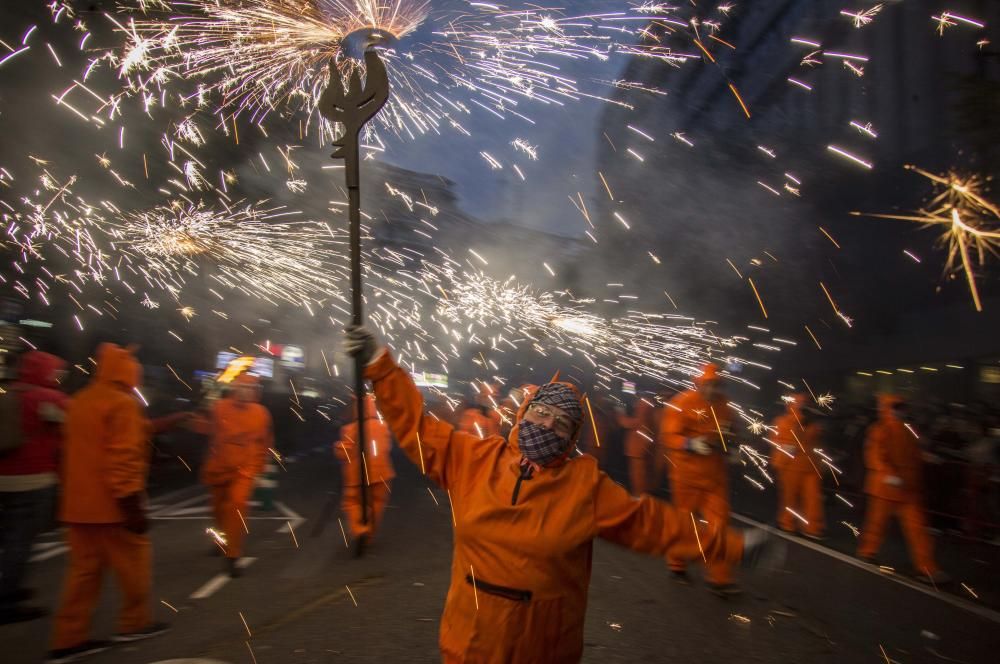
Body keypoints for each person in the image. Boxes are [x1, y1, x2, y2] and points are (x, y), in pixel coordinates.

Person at [344, 326, 780, 663]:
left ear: (573, 437)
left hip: (543, 650)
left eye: (562, 423)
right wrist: (381, 365)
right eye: (542, 413)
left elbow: (655, 526)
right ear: (523, 415)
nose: (548, 425)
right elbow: (414, 424)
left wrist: (735, 547)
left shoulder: (584, 486)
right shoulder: (472, 458)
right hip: (469, 644)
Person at [48, 344, 169, 663]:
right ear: (130, 371)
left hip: (78, 508)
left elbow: (67, 452)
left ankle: (68, 640)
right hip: (114, 509)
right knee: (134, 569)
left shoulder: (80, 401)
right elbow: (124, 458)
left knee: (82, 576)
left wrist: (174, 420)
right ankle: (134, 623)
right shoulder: (123, 404)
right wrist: (132, 505)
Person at [659, 363, 740, 594]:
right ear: (699, 384)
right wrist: (689, 444)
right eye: (710, 385)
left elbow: (731, 432)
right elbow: (668, 437)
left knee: (719, 526)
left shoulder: (725, 406)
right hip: (686, 477)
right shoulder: (681, 403)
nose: (714, 390)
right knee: (686, 523)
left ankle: (720, 579)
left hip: (715, 478)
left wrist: (732, 448)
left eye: (718, 385)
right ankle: (676, 561)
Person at [0, 351, 67, 624]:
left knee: (8, 539)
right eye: (55, 371)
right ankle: (6, 600)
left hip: (4, 479)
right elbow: (76, 422)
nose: (58, 377)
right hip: (33, 479)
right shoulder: (46, 398)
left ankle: (9, 588)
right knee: (21, 542)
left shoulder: (10, 393)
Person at [857, 395, 949, 583]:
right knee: (877, 524)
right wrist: (888, 474)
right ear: (886, 409)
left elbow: (913, 452)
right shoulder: (879, 430)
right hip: (886, 487)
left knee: (918, 528)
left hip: (907, 488)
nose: (901, 410)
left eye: (901, 407)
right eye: (896, 407)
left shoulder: (908, 429)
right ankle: (867, 551)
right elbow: (874, 455)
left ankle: (927, 568)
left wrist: (927, 457)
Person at [195, 373, 273, 578]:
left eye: (251, 388)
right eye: (243, 388)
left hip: (244, 470)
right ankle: (220, 541)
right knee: (218, 509)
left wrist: (260, 466)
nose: (247, 392)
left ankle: (232, 555)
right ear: (235, 389)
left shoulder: (261, 413)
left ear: (256, 391)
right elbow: (205, 429)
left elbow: (265, 442)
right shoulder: (220, 407)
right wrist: (198, 414)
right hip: (219, 467)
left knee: (237, 505)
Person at [334, 395, 395, 555]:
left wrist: (337, 447)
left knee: (352, 503)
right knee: (376, 506)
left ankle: (360, 529)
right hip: (382, 476)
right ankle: (368, 536)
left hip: (357, 477)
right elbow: (387, 448)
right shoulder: (383, 426)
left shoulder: (351, 429)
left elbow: (344, 453)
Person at [771, 395, 825, 539]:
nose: (804, 407)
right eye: (801, 405)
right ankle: (788, 523)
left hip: (808, 466)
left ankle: (812, 527)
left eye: (805, 404)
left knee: (812, 498)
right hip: (790, 466)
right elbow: (777, 440)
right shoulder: (783, 421)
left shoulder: (812, 423)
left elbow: (816, 441)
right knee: (790, 498)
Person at [617, 395, 656, 496]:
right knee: (641, 478)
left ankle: (640, 502)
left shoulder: (645, 402)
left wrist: (620, 413)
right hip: (642, 448)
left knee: (638, 480)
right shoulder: (648, 403)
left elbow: (629, 423)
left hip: (637, 450)